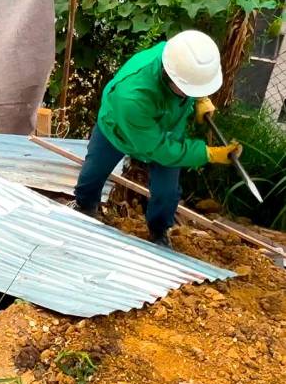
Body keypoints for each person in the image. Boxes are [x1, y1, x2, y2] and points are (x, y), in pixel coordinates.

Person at [73, 30, 242, 248]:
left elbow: (190, 77)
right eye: (191, 89)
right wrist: (206, 153)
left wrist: (200, 97)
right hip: (118, 128)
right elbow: (159, 149)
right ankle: (85, 207)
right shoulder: (132, 97)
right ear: (171, 77)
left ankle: (159, 232)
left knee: (167, 192)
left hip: (167, 127)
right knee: (93, 175)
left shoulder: (177, 56)